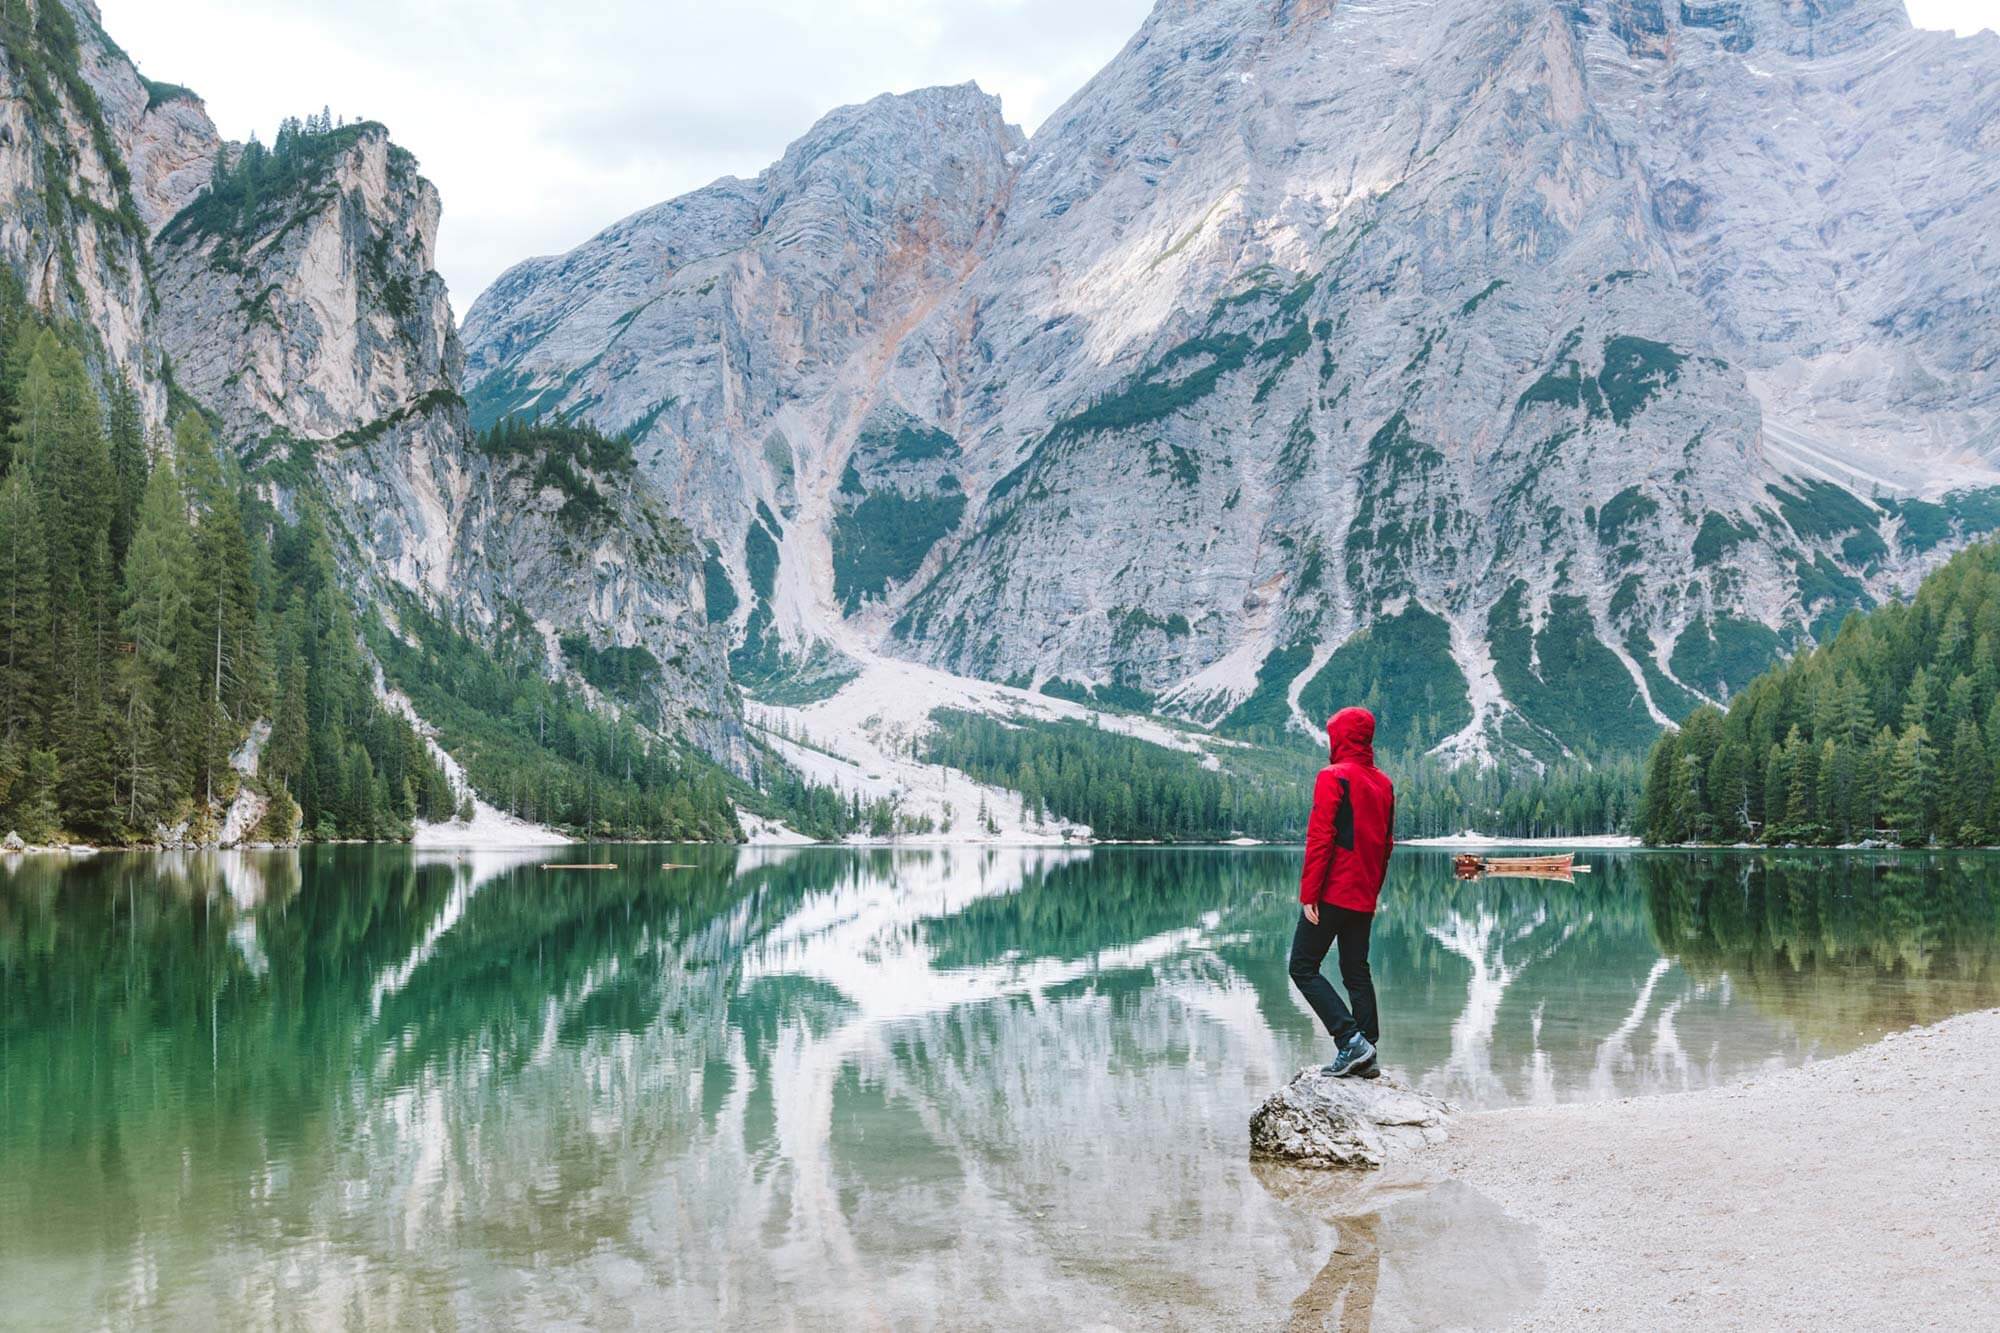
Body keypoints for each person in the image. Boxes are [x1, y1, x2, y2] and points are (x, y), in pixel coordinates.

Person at [1289, 706, 1395, 1078]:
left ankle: (1350, 1041)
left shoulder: (1332, 776)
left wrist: (1309, 893)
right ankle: (1368, 1049)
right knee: (1356, 970)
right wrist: (1373, 891)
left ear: (1341, 737)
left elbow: (1321, 837)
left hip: (1333, 890)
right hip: (1364, 893)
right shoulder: (1383, 783)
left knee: (1302, 967)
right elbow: (1386, 844)